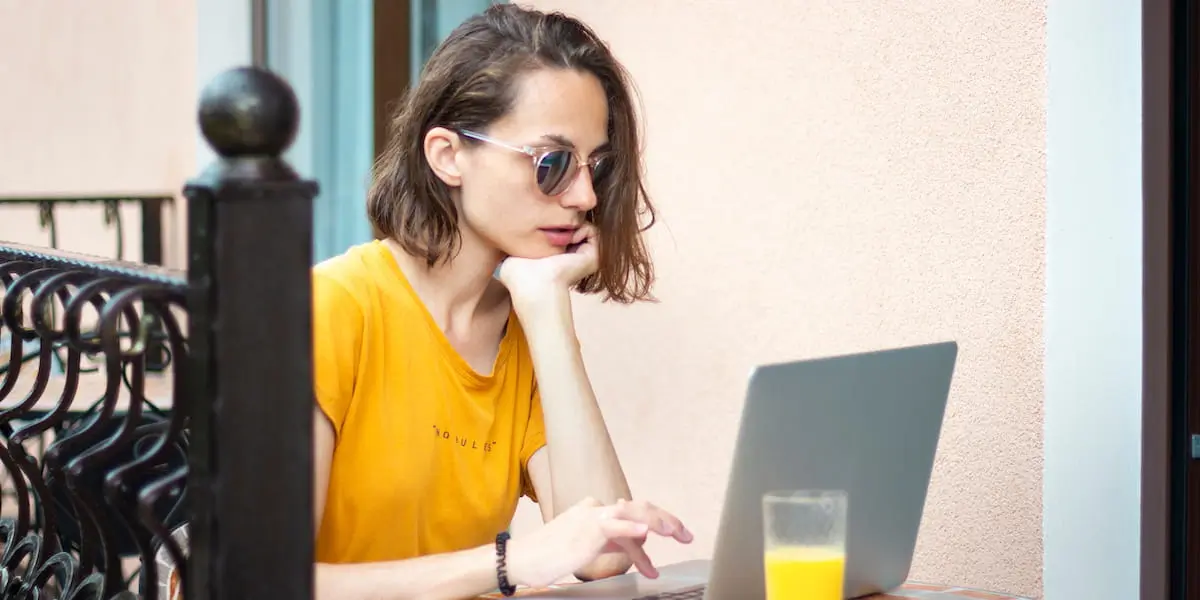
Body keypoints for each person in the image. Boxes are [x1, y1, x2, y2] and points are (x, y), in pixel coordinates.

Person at [310, 4, 692, 599]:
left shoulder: (523, 332)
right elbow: (255, 581)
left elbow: (607, 554)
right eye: (552, 163)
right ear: (447, 155)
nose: (585, 195)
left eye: (597, 166)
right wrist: (506, 564)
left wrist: (546, 308)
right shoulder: (332, 309)